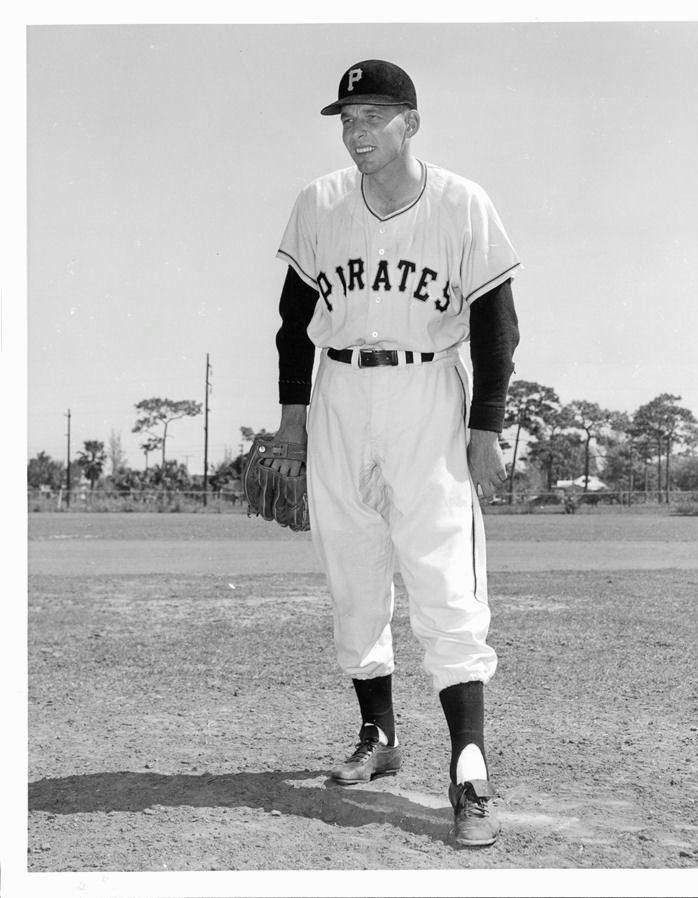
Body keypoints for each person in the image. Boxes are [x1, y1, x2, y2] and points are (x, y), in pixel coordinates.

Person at [269, 59, 520, 847]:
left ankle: (467, 766)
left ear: (410, 123)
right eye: (346, 119)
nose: (356, 132)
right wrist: (292, 422)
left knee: (443, 575)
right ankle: (377, 736)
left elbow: (496, 327)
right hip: (339, 391)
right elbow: (290, 321)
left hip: (425, 398)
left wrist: (484, 428)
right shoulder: (319, 203)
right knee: (351, 569)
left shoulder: (460, 203)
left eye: (373, 116)